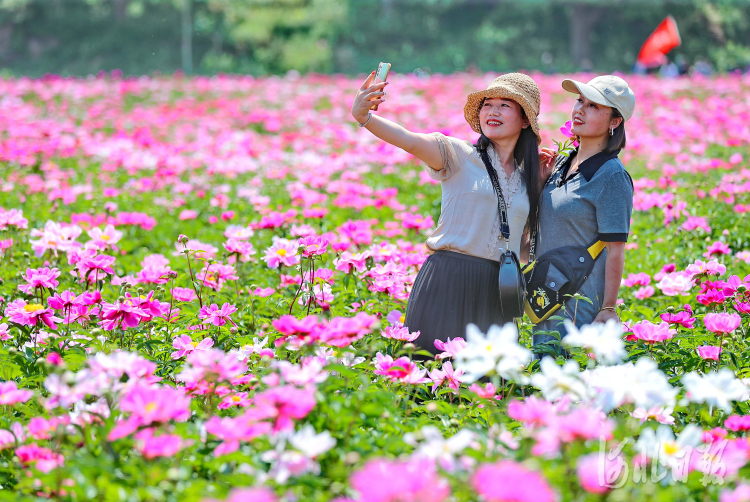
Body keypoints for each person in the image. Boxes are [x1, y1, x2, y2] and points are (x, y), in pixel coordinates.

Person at [350, 72, 555, 355]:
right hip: (448, 278)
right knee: (431, 375)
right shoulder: (458, 155)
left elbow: (523, 248)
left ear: (524, 120)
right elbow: (408, 140)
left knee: (487, 388)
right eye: (487, 104)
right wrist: (365, 118)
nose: (492, 111)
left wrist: (540, 187)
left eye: (505, 105)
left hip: (497, 290)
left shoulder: (526, 180)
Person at [532, 75, 636, 349]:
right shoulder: (562, 164)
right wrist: (542, 183)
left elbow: (616, 249)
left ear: (615, 122)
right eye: (580, 101)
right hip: (545, 297)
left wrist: (609, 308)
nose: (579, 110)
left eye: (593, 106)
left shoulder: (611, 176)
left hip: (579, 306)